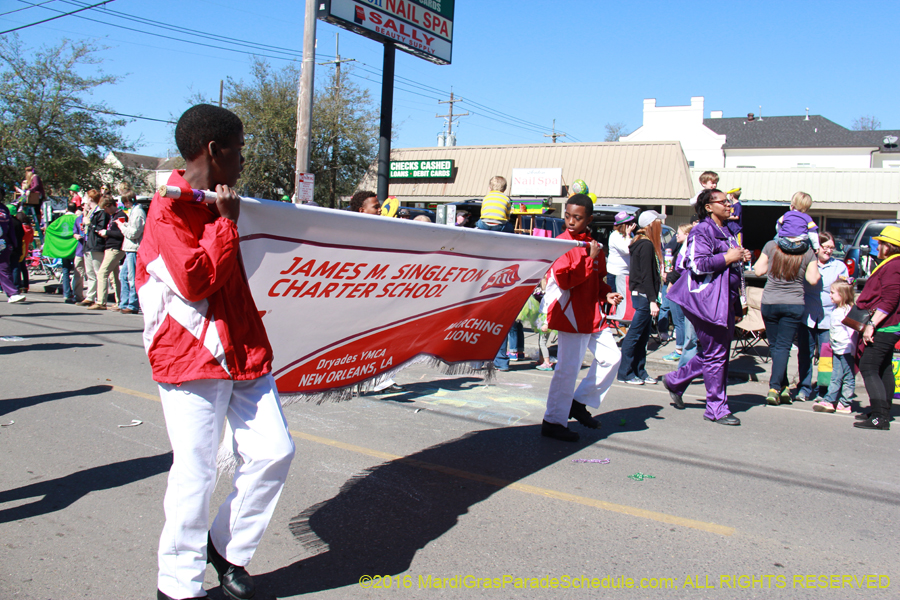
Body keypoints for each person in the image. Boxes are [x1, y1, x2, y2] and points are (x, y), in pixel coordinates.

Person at [139, 104, 295, 600]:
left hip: (244, 351)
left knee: (274, 451)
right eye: (239, 147)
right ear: (214, 149)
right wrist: (225, 223)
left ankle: (226, 549)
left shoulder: (221, 201)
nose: (244, 158)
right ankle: (178, 585)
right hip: (191, 358)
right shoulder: (167, 209)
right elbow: (195, 280)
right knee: (196, 473)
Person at [664, 189, 752, 425]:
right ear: (708, 207)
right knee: (716, 355)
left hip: (725, 300)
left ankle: (675, 380)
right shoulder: (702, 230)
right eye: (722, 202)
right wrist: (728, 258)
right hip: (707, 301)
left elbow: (729, 260)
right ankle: (716, 408)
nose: (728, 205)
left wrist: (739, 255)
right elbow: (697, 264)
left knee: (715, 352)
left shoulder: (727, 230)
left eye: (729, 201)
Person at [542, 194, 623, 442]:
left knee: (612, 358)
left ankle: (578, 402)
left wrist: (606, 294)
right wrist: (590, 258)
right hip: (570, 314)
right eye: (567, 216)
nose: (570, 221)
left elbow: (597, 281)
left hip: (592, 313)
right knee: (567, 370)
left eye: (577, 217)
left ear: (589, 219)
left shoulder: (594, 245)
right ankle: (553, 421)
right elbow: (565, 281)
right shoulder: (561, 244)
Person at [753, 215, 820, 405]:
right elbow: (813, 279)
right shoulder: (807, 251)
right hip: (794, 303)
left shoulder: (771, 246)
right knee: (783, 347)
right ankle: (777, 387)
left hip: (770, 302)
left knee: (776, 347)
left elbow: (758, 270)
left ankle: (779, 387)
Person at [852, 225, 900, 430]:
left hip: (885, 326)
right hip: (889, 325)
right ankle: (882, 412)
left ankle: (880, 417)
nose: (877, 247)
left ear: (889, 246)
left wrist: (872, 324)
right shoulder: (892, 264)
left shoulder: (893, 266)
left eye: (880, 243)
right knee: (883, 367)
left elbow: (890, 300)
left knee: (868, 366)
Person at [795, 232, 848, 401]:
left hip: (829, 318)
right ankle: (804, 388)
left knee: (826, 356)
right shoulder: (807, 263)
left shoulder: (839, 266)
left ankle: (823, 390)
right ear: (817, 248)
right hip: (807, 316)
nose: (829, 251)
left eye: (832, 248)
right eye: (826, 247)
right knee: (805, 354)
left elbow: (844, 289)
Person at [617, 210, 664, 385]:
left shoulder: (642, 242)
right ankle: (625, 372)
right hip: (644, 295)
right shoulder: (645, 245)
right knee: (634, 335)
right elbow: (646, 275)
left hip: (644, 294)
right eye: (658, 222)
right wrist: (652, 300)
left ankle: (640, 371)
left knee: (643, 336)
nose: (660, 225)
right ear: (651, 224)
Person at [815, 280, 857, 414]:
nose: (830, 295)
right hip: (838, 349)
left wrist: (853, 350)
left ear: (843, 295)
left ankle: (837, 401)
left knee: (842, 376)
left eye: (833, 293)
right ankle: (838, 401)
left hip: (846, 350)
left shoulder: (846, 312)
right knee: (840, 376)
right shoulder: (837, 310)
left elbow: (852, 333)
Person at [87, 195, 126, 311]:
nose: (105, 211)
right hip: (110, 247)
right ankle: (119, 301)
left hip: (115, 248)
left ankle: (101, 302)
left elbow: (122, 233)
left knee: (102, 273)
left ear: (110, 205)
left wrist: (107, 233)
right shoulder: (113, 216)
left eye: (105, 208)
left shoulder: (121, 216)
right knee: (114, 276)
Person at [662, 222, 694, 362]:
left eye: (678, 233)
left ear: (686, 234)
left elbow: (680, 269)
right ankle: (683, 348)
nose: (676, 236)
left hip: (679, 287)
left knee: (679, 320)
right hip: (681, 286)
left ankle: (679, 349)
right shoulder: (682, 247)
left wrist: (671, 282)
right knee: (681, 320)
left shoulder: (686, 248)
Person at [118, 192, 146, 314]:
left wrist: (122, 227)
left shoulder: (138, 213)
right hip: (129, 248)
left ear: (128, 201)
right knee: (123, 276)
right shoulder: (134, 212)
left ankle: (133, 304)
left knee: (132, 277)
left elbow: (134, 233)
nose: (124, 205)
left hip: (134, 248)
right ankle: (124, 302)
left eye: (125, 202)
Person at [606, 211, 635, 321]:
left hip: (627, 273)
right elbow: (627, 249)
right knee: (615, 298)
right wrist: (628, 235)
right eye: (629, 223)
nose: (631, 225)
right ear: (623, 225)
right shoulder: (615, 236)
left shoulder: (629, 235)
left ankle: (622, 320)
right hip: (615, 273)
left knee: (625, 299)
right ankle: (610, 320)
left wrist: (629, 235)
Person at [80, 189, 104, 306]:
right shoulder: (89, 212)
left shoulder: (100, 212)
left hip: (96, 245)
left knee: (98, 272)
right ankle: (90, 296)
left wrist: (90, 224)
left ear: (90, 198)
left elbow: (100, 228)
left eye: (86, 197)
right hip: (88, 244)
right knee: (90, 273)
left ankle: (100, 298)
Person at [0, 202, 25, 302]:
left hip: (3, 244)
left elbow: (10, 227)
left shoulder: (3, 208)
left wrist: (12, 243)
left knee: (4, 268)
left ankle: (13, 293)